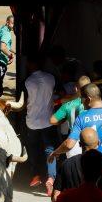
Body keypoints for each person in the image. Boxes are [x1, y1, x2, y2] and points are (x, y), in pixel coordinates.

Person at [24, 55, 59, 194]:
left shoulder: (27, 81)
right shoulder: (51, 78)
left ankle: (35, 175)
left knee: (33, 149)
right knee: (50, 150)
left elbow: (24, 101)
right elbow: (59, 93)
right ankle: (51, 178)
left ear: (31, 65)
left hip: (31, 122)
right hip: (48, 120)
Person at [50, 75, 91, 158]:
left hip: (74, 142)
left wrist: (64, 119)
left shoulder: (68, 105)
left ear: (76, 88)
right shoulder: (94, 103)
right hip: (91, 139)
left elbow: (52, 120)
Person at [0, 15, 15, 85]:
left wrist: (15, 52)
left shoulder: (1, 29)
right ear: (7, 22)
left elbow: (5, 46)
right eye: (13, 23)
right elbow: (2, 47)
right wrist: (10, 55)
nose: (14, 26)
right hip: (1, 61)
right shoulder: (7, 33)